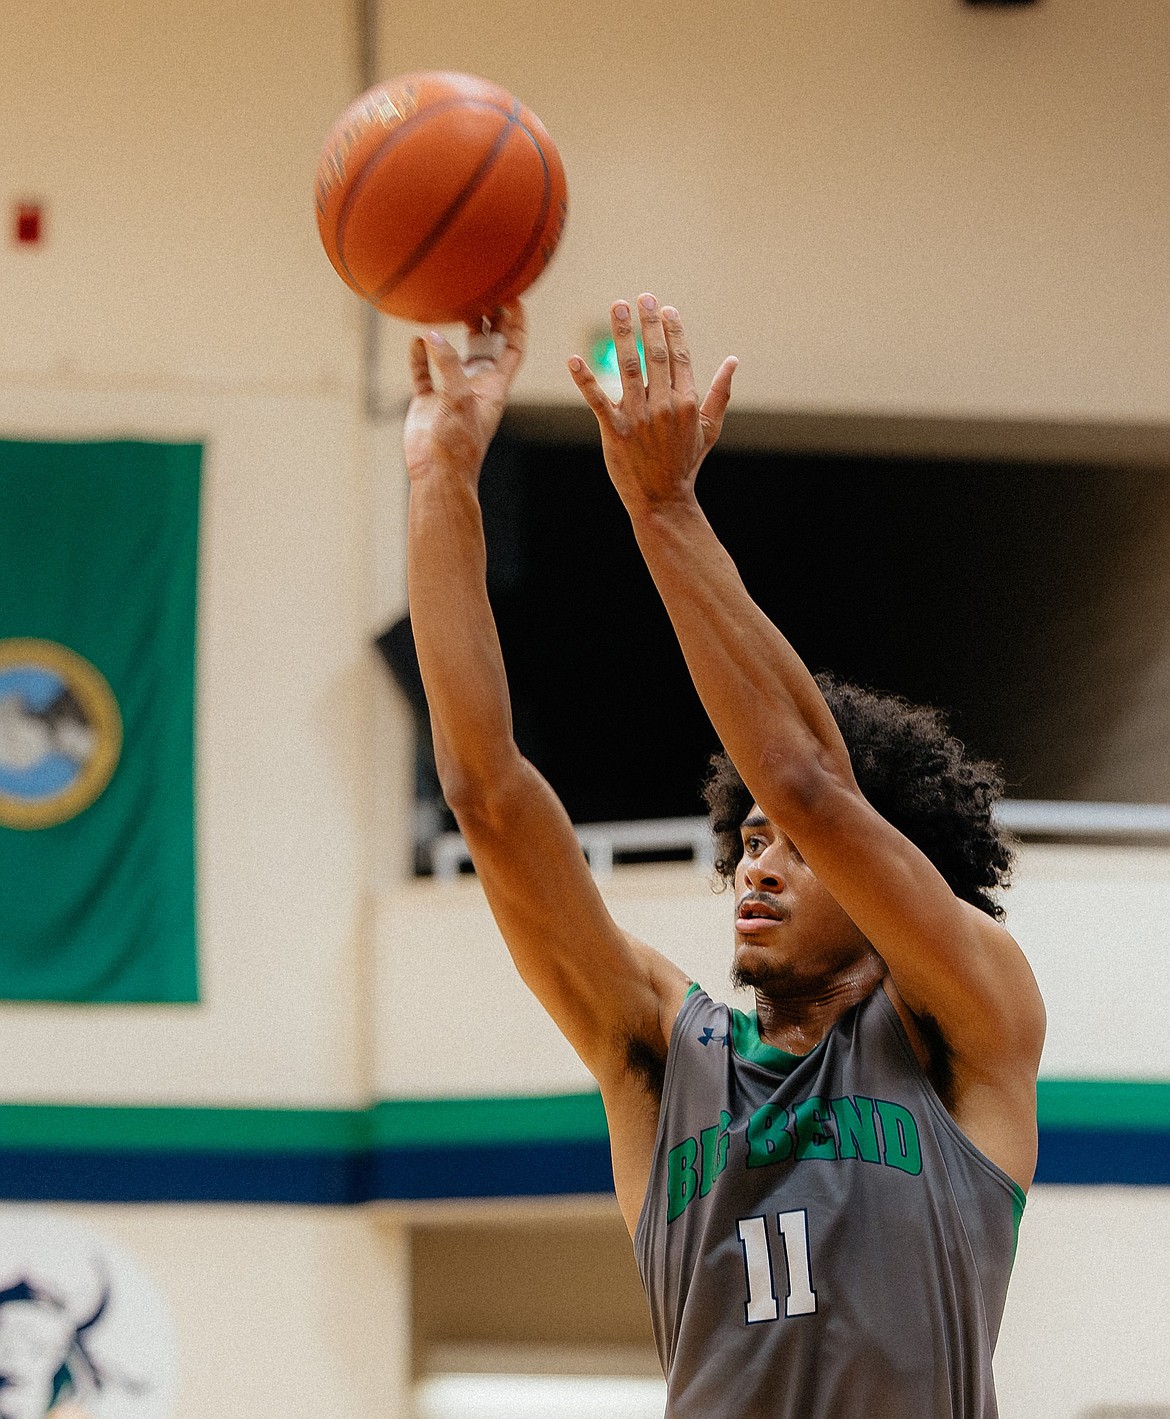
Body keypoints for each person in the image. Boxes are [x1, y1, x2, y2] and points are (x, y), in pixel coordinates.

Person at [403, 295, 1045, 1419]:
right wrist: (442, 482)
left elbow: (809, 782)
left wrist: (663, 510)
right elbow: (487, 794)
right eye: (749, 843)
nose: (761, 864)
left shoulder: (964, 1026)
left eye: (797, 855)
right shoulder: (664, 1051)